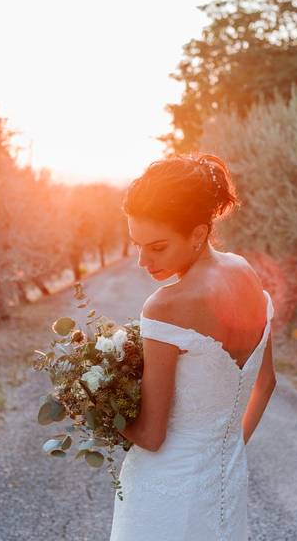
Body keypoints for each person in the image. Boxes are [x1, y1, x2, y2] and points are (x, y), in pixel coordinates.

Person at [109, 153, 277, 541]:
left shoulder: (166, 306)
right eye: (136, 245)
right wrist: (228, 447)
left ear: (199, 234)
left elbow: (151, 436)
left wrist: (95, 406)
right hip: (226, 483)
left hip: (162, 496)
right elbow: (266, 382)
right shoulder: (245, 272)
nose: (142, 261)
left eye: (158, 246)